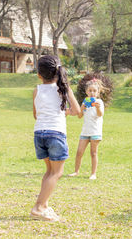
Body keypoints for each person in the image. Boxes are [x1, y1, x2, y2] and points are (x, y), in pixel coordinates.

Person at [30, 55, 80, 221]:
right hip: (56, 133)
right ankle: (38, 207)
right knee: (57, 173)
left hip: (39, 133)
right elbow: (77, 111)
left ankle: (43, 205)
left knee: (49, 171)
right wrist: (65, 111)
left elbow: (36, 114)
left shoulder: (36, 90)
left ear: (39, 74)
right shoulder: (63, 89)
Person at [68, 78, 106, 180]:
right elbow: (80, 116)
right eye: (90, 91)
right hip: (85, 131)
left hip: (95, 132)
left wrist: (97, 108)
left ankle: (93, 174)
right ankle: (76, 171)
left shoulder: (99, 102)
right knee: (79, 152)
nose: (92, 93)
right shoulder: (85, 102)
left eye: (94, 91)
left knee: (93, 153)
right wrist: (82, 108)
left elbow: (100, 114)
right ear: (86, 92)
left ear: (98, 92)